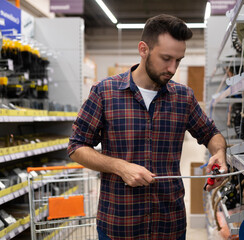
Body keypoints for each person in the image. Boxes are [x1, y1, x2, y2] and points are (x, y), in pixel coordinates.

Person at [67, 14, 227, 240]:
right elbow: (77, 146)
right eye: (166, 58)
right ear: (143, 49)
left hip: (169, 224)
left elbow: (211, 134)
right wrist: (120, 167)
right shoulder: (105, 92)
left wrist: (219, 153)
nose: (172, 68)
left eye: (178, 60)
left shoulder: (184, 97)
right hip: (119, 224)